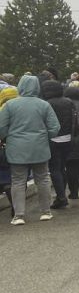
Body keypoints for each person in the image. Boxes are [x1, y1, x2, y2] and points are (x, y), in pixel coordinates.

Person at [0, 75, 60, 225]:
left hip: (16, 148)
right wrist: (45, 137)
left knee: (18, 181)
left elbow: (1, 127)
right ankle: (46, 212)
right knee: (43, 179)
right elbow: (55, 127)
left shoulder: (10, 105)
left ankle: (19, 215)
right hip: (39, 147)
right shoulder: (44, 105)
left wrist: (8, 138)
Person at [41, 79, 76, 209]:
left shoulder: (47, 103)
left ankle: (61, 197)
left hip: (53, 139)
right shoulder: (68, 102)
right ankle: (61, 195)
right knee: (62, 168)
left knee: (55, 169)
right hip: (67, 138)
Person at [0, 85, 19, 216]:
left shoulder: (2, 109)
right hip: (16, 146)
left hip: (3, 145)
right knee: (12, 178)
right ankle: (15, 207)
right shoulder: (20, 109)